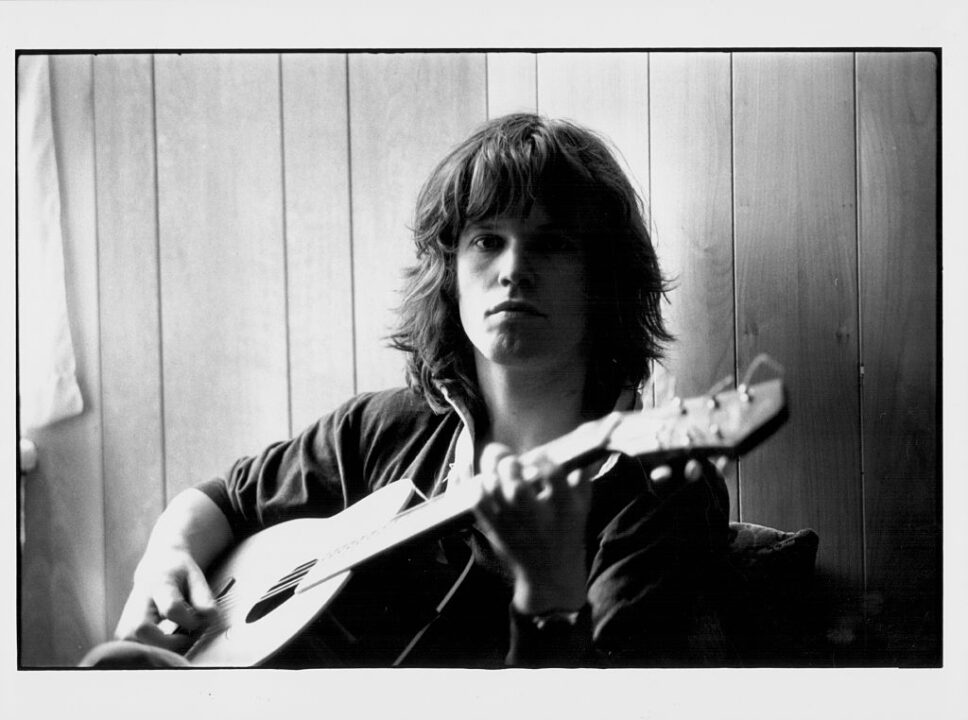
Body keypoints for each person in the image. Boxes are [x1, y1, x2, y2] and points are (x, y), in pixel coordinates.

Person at [82, 113, 731, 669]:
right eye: (486, 240)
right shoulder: (379, 430)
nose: (513, 270)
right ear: (449, 274)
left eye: (553, 243)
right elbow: (225, 499)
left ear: (604, 281)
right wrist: (162, 560)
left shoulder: (657, 489)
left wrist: (551, 587)